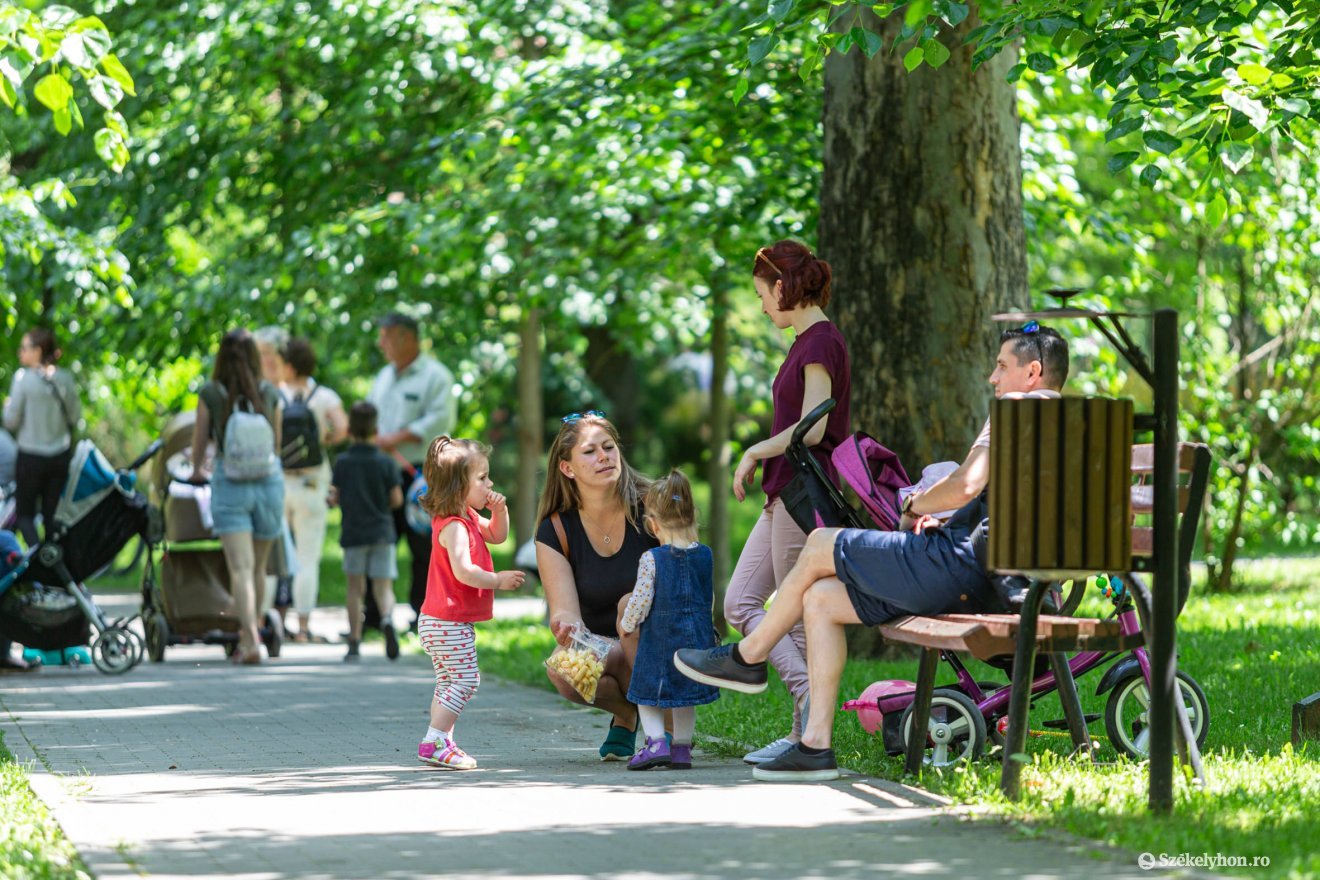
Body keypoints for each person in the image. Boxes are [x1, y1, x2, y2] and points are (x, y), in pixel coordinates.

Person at [675, 322, 1070, 781]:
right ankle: (814, 745)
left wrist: (914, 505)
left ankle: (748, 656)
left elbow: (966, 484)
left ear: (1032, 373)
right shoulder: (1075, 429)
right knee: (821, 599)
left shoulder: (1016, 410)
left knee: (821, 543)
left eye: (1002, 366)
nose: (993, 377)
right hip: (1008, 584)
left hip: (962, 570)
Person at [726, 240, 852, 765]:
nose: (761, 307)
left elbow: (813, 427)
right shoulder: (805, 342)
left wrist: (756, 449)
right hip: (783, 493)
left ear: (781, 287)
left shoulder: (819, 342)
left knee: (797, 618)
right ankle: (805, 712)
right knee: (740, 602)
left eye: (761, 295)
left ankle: (808, 734)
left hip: (802, 493)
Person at [534, 411, 657, 760]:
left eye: (609, 447)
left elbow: (685, 574)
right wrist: (565, 626)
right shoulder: (556, 529)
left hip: (656, 641)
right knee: (561, 669)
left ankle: (662, 723)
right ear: (567, 468)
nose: (604, 456)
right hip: (603, 644)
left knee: (630, 605)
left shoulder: (652, 506)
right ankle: (629, 712)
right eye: (590, 451)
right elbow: (565, 611)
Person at [415, 436, 525, 770]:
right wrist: (497, 580)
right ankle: (434, 740)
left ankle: (442, 741)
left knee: (449, 681)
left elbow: (497, 535)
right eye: (482, 478)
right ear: (457, 487)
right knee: (466, 680)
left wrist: (500, 511)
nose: (490, 484)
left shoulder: (466, 516)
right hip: (447, 621)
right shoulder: (454, 527)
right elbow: (464, 571)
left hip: (441, 621)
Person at [190, 329, 285, 665]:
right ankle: (250, 634)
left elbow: (199, 444)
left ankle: (251, 640)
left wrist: (196, 470)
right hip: (269, 484)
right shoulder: (270, 392)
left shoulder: (211, 393)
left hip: (230, 484)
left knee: (240, 569)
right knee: (258, 568)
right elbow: (276, 445)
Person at [620, 470, 720, 771]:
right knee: (685, 696)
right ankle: (682, 749)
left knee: (646, 693)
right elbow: (708, 598)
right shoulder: (706, 555)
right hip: (695, 642)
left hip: (660, 643)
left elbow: (641, 599)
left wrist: (627, 624)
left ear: (653, 524)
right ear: (692, 516)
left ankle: (655, 743)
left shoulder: (652, 558)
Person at [367, 312, 457, 626]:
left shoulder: (436, 376)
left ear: (407, 337)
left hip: (422, 474)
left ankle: (424, 615)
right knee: (379, 541)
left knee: (424, 545)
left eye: (386, 337)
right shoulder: (383, 376)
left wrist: (396, 437)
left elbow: (439, 420)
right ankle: (374, 615)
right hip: (383, 472)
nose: (381, 344)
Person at [279, 337, 349, 640]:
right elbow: (343, 428)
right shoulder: (325, 397)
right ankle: (303, 627)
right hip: (312, 484)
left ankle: (269, 623)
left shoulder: (275, 395)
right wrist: (324, 441)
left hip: (280, 484)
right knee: (307, 558)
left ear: (289, 366)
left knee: (274, 557)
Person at [330, 402, 403, 662]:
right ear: (376, 429)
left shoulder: (343, 462)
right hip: (382, 531)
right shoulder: (385, 462)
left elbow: (336, 496)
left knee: (355, 588)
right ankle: (387, 619)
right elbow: (396, 499)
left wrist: (334, 500)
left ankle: (354, 640)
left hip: (354, 533)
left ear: (349, 429)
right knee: (383, 586)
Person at [3, 328, 80, 549]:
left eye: (24, 348)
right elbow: (75, 417)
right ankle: (53, 559)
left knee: (25, 515)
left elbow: (10, 421)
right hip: (59, 457)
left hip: (30, 458)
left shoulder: (23, 379)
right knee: (51, 516)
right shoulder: (65, 378)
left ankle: (37, 557)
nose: (20, 352)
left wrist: (7, 406)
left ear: (37, 351)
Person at [253, 325, 297, 620]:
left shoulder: (293, 392)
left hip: (293, 480)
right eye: (261, 354)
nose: (266, 360)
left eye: (270, 353)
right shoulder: (255, 391)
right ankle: (263, 614)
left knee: (286, 548)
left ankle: (279, 613)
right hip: (268, 478)